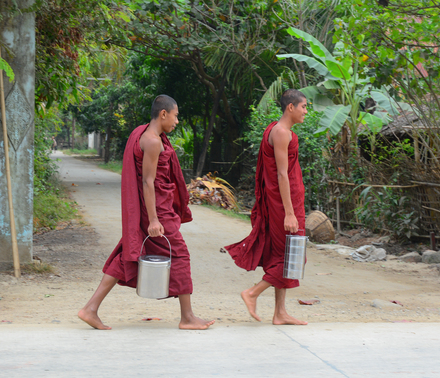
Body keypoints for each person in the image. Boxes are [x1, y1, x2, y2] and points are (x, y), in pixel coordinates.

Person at [78, 95, 214, 330]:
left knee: (126, 255)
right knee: (180, 255)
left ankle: (90, 309)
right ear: (163, 114)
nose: (177, 120)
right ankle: (188, 317)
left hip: (153, 208)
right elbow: (148, 182)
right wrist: (153, 219)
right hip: (156, 211)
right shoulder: (152, 141)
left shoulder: (144, 133)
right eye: (176, 115)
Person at [223, 89, 308, 325]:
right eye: (303, 106)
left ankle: (280, 312)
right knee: (293, 256)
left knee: (281, 254)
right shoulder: (281, 133)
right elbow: (282, 174)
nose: (306, 111)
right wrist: (289, 213)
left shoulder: (279, 130)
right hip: (284, 205)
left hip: (286, 202)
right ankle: (252, 293)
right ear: (290, 107)